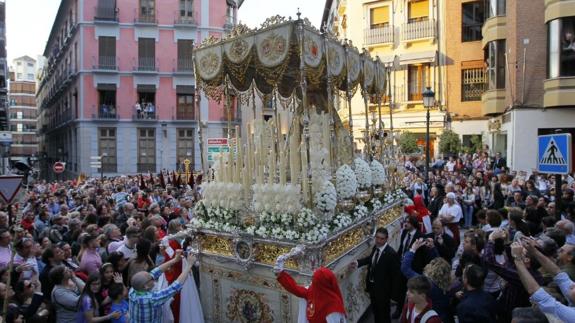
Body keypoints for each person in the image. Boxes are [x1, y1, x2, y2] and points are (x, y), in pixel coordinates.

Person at [128, 250, 195, 323]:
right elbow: (174, 287)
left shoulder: (133, 290)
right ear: (146, 286)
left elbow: (155, 272)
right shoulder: (151, 299)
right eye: (151, 279)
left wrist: (174, 260)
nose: (153, 278)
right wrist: (189, 265)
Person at [349, 227, 399, 323]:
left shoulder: (391, 254)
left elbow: (395, 276)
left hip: (384, 292)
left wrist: (393, 296)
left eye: (382, 239)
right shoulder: (376, 248)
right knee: (376, 312)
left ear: (386, 239)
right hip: (373, 289)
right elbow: (370, 259)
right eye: (377, 238)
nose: (379, 241)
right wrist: (358, 262)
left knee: (384, 315)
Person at [277, 266, 346, 323]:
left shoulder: (334, 306)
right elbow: (294, 288)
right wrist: (280, 273)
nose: (312, 281)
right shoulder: (312, 291)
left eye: (314, 279)